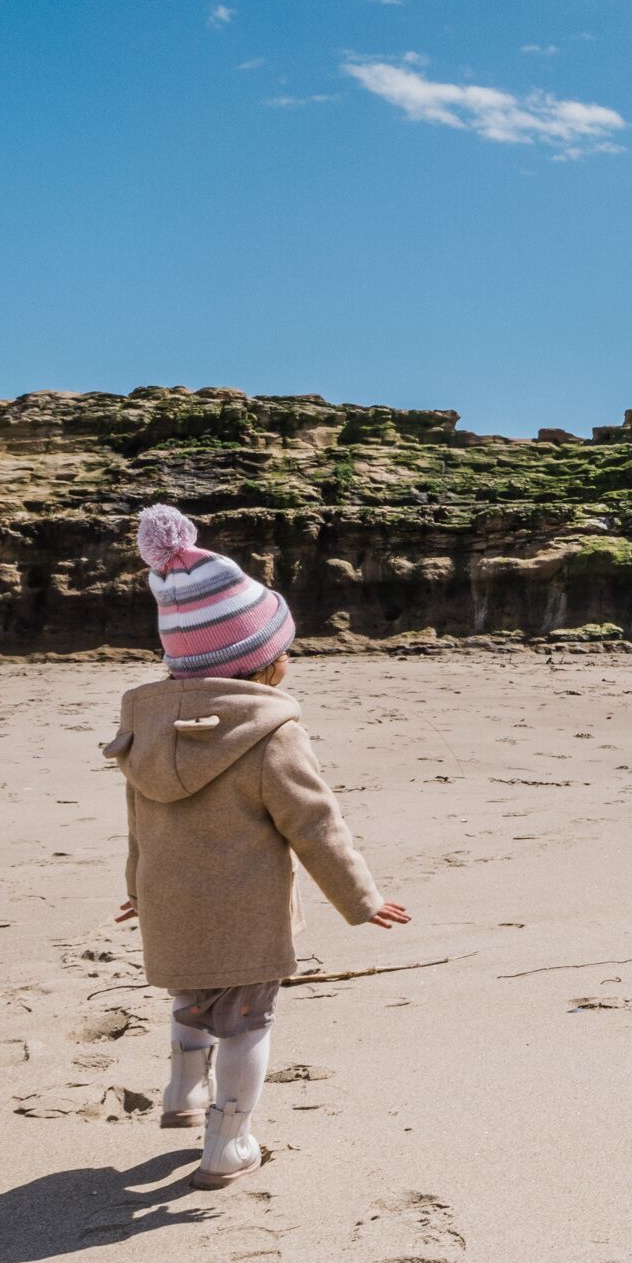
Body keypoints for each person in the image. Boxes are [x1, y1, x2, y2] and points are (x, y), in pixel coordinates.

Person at [106, 505, 408, 1190]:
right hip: (244, 913)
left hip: (169, 904)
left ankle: (182, 1095)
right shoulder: (271, 733)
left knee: (190, 1002)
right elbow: (315, 822)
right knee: (245, 1024)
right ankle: (228, 1142)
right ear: (262, 661)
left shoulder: (143, 731)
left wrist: (135, 886)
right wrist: (361, 899)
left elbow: (138, 821)